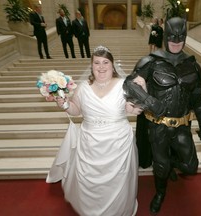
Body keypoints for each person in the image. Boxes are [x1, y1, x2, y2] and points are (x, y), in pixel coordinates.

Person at [123, 16, 201, 214]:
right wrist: (150, 101)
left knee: (190, 166)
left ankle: (169, 164)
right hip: (158, 126)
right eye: (172, 37)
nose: (176, 42)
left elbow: (197, 98)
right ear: (165, 36)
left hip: (181, 125)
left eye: (180, 37)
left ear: (185, 37)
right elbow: (129, 84)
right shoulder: (150, 62)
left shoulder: (193, 65)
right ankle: (160, 192)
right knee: (160, 166)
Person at [46, 45, 142, 216]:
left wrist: (139, 103)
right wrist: (66, 104)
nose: (101, 67)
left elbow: (132, 109)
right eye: (97, 63)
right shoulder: (83, 87)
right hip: (89, 142)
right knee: (88, 181)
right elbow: (77, 110)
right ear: (91, 66)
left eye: (105, 62)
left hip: (118, 143)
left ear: (113, 66)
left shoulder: (124, 85)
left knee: (117, 180)